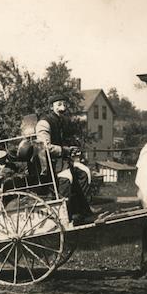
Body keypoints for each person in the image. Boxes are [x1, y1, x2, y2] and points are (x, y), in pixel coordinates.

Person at [35, 94, 94, 223]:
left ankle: (82, 211)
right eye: (59, 105)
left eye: (64, 104)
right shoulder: (44, 123)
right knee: (67, 177)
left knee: (84, 172)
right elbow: (46, 148)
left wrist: (72, 149)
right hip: (49, 162)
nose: (63, 108)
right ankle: (65, 215)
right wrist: (65, 150)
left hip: (62, 160)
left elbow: (65, 141)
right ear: (51, 107)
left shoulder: (62, 121)